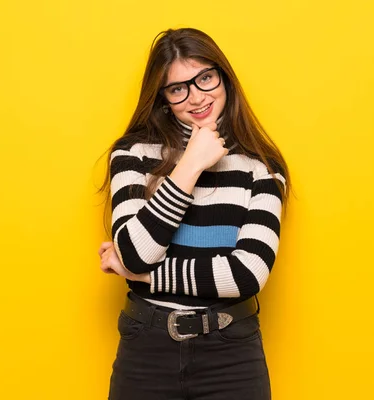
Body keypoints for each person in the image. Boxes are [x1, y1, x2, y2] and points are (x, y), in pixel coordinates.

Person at [97, 27, 290, 400]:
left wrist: (139, 275)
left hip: (231, 354)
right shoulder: (132, 154)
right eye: (177, 88)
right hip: (146, 349)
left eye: (205, 78)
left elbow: (245, 275)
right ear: (163, 98)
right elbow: (138, 251)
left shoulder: (262, 167)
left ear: (224, 77)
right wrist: (190, 165)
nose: (196, 97)